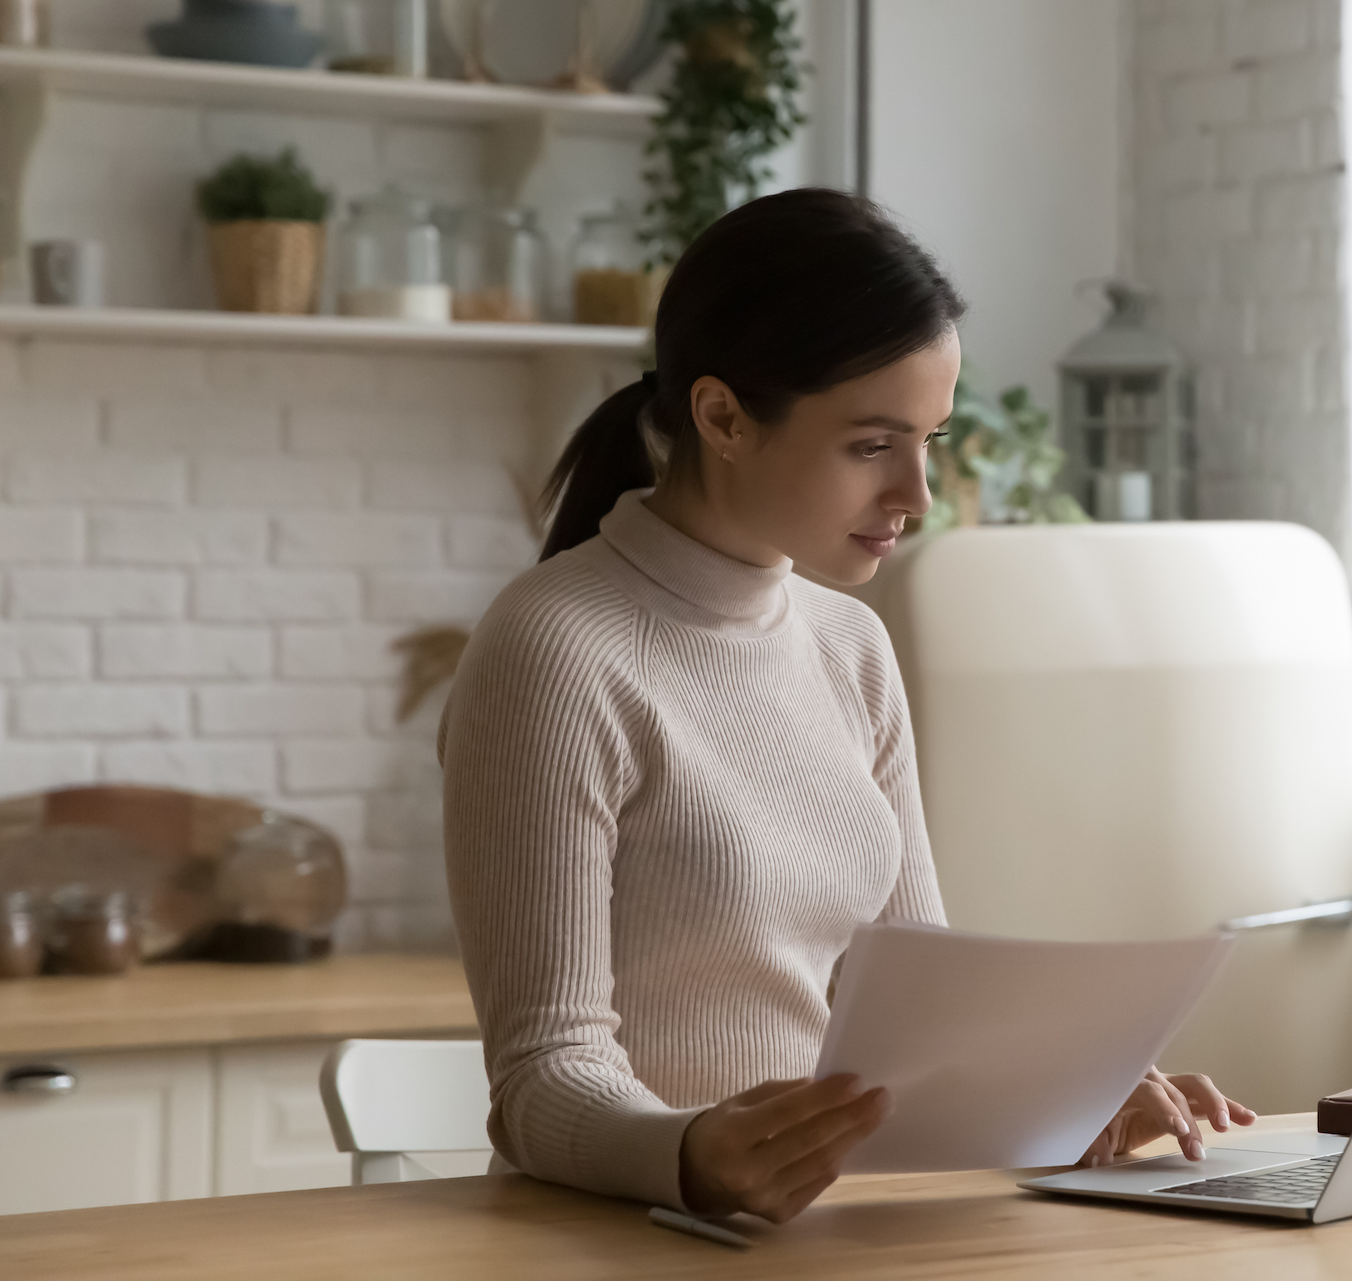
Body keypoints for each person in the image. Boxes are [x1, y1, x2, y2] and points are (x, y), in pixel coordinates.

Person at [440, 188, 1255, 1224]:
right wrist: (691, 1153)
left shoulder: (850, 646)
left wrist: (1067, 1100)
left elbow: (923, 1020)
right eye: (872, 444)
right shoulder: (555, 648)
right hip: (634, 1244)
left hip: (838, 1236)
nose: (915, 491)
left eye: (929, 437)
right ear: (722, 416)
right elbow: (540, 1079)